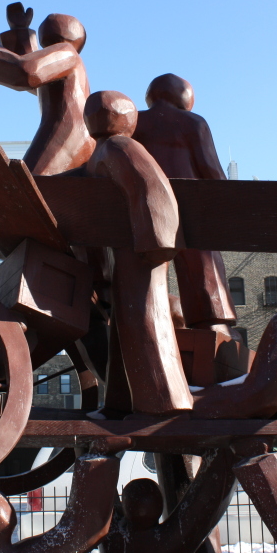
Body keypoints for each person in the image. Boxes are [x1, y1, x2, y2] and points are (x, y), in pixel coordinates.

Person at [83, 90, 191, 415]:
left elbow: (151, 186)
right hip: (128, 252)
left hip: (142, 252)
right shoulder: (104, 151)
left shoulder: (120, 147)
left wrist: (156, 241)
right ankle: (119, 401)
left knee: (144, 317)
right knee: (124, 324)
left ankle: (165, 399)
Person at [133, 74, 236, 334]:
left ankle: (145, 314)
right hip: (189, 205)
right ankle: (212, 319)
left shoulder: (134, 123)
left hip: (147, 206)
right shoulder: (193, 122)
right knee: (203, 257)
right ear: (183, 95)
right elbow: (210, 170)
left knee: (148, 265)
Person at [99, 448, 236, 553]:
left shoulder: (111, 536)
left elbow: (99, 491)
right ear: (160, 505)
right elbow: (208, 500)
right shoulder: (169, 541)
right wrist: (228, 452)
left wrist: (93, 451)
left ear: (126, 505)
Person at [0, 7, 93, 176]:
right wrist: (20, 30)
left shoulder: (67, 52)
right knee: (30, 185)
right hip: (70, 133)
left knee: (30, 185)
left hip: (69, 134)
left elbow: (26, 71)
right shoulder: (65, 60)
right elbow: (30, 63)